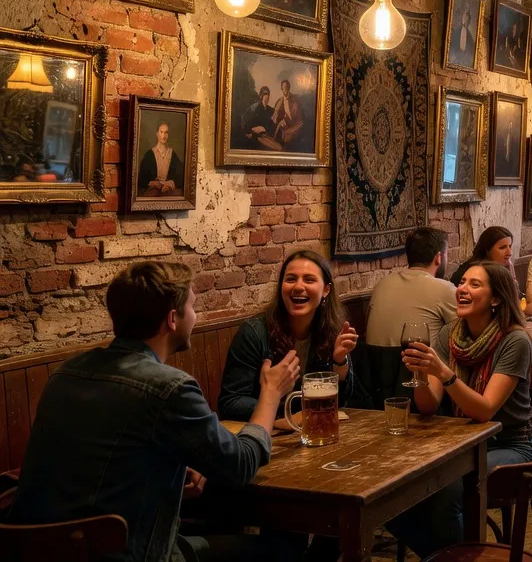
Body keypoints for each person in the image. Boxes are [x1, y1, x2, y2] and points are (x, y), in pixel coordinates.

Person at [9, 261, 300, 562]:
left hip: (34, 552)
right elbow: (241, 465)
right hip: (127, 554)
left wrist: (172, 470)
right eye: (192, 307)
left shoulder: (66, 373)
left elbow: (103, 460)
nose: (196, 316)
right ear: (172, 319)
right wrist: (271, 394)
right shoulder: (169, 388)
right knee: (283, 549)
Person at [394, 260, 532, 556]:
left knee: (444, 491)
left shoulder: (515, 340)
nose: (462, 289)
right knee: (393, 497)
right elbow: (428, 406)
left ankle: (455, 555)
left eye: (475, 284)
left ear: (495, 298)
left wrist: (444, 373)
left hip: (511, 445)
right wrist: (421, 372)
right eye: (461, 282)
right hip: (462, 446)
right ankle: (448, 555)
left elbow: (485, 411)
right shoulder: (450, 334)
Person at [220, 250, 359, 421]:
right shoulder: (254, 333)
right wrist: (284, 414)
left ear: (326, 290)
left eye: (309, 279)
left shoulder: (332, 330)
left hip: (314, 430)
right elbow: (231, 402)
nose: (298, 287)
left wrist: (339, 361)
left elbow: (342, 401)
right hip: (265, 433)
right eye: (291, 279)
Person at [361, 228, 457, 406]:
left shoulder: (382, 284)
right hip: (419, 384)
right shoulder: (444, 288)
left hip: (374, 384)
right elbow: (466, 330)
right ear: (439, 257)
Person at [137, 121, 183, 196]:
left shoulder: (172, 153)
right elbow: (142, 180)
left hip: (167, 192)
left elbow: (180, 176)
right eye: (161, 132)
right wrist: (154, 183)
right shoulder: (150, 154)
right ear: (157, 133)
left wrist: (169, 184)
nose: (163, 135)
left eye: (166, 132)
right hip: (153, 192)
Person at [272, 79, 305, 150]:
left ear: (289, 88)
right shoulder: (280, 100)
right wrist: (281, 120)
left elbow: (298, 119)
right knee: (279, 132)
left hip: (296, 125)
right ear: (281, 89)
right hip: (287, 124)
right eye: (283, 88)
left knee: (287, 139)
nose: (285, 89)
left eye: (286, 87)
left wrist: (289, 127)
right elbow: (276, 117)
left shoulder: (294, 100)